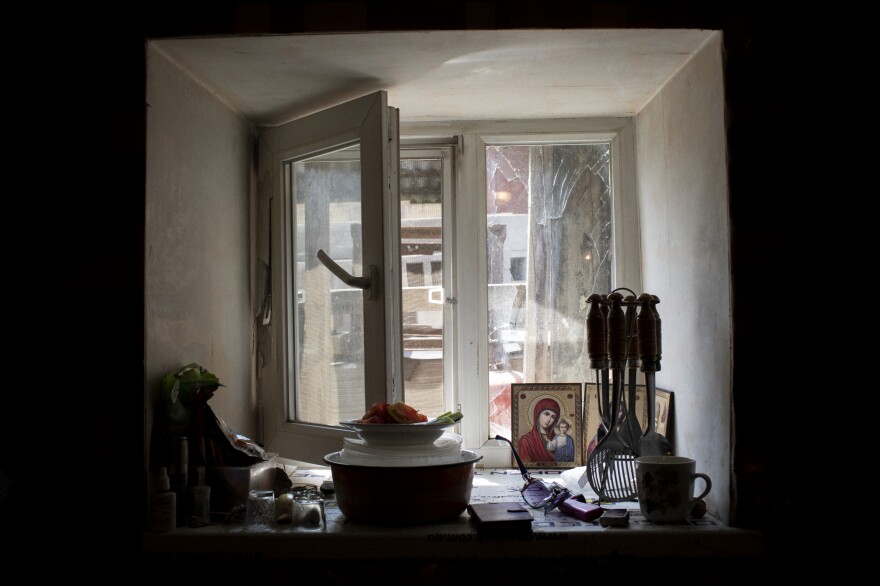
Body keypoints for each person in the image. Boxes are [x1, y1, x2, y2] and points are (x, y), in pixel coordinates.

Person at [517, 397, 560, 462]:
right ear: (538, 413)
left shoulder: (557, 439)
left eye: (553, 417)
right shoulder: (526, 440)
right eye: (546, 414)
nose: (548, 420)